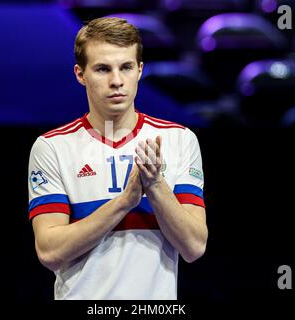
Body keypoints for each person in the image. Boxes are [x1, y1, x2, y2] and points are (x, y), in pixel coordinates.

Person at [28, 17, 208, 300]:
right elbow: (50, 252)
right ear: (80, 74)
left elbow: (194, 247)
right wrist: (125, 201)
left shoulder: (179, 139)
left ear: (139, 70)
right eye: (102, 69)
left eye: (125, 67)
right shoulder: (52, 147)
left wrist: (155, 184)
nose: (116, 81)